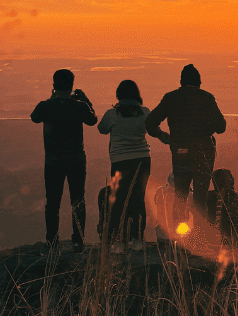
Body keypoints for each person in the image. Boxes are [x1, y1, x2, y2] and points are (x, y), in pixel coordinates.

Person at [144, 65, 226, 221]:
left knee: (180, 196)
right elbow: (221, 127)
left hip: (180, 152)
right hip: (203, 154)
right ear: (199, 82)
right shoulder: (207, 98)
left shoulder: (171, 98)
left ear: (181, 81)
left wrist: (163, 136)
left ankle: (180, 236)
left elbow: (150, 122)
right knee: (200, 198)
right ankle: (199, 237)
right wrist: (205, 131)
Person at [30, 69, 97, 247]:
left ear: (53, 86)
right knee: (78, 200)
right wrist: (84, 100)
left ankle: (52, 241)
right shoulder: (79, 106)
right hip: (76, 159)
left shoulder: (45, 106)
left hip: (53, 161)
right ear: (72, 86)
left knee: (52, 202)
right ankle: (78, 240)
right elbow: (92, 120)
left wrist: (52, 99)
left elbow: (34, 118)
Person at [97, 80, 154, 251]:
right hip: (143, 160)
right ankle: (137, 239)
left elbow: (101, 129)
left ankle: (119, 241)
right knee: (138, 198)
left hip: (120, 161)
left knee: (119, 199)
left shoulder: (112, 114)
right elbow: (151, 129)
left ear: (119, 96)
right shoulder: (145, 113)